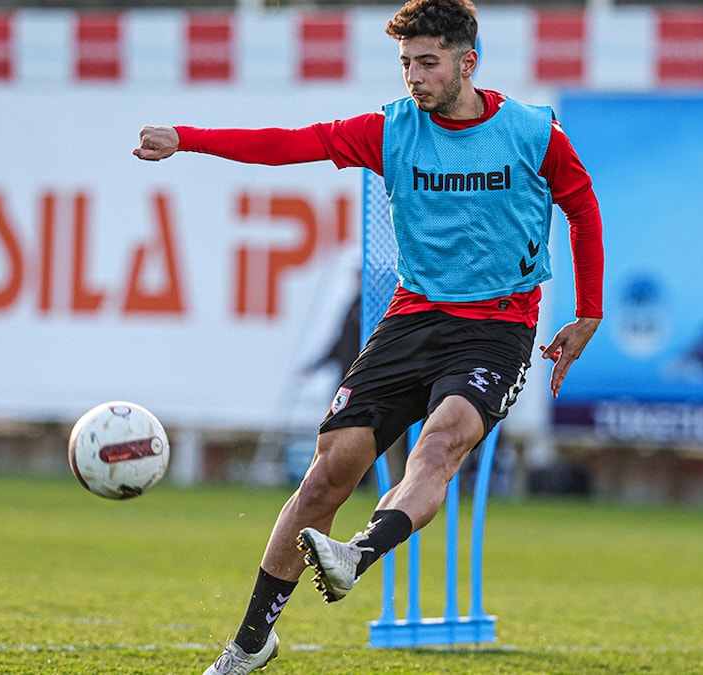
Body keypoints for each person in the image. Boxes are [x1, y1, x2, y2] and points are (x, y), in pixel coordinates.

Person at [134, 0, 603, 671]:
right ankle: (250, 642)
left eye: (428, 62)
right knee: (326, 478)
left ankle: (357, 553)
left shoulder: (532, 132)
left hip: (498, 327)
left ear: (468, 63)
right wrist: (186, 137)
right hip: (412, 320)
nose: (414, 76)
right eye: (406, 63)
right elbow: (288, 143)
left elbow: (582, 207)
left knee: (440, 445)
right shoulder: (389, 130)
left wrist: (588, 312)